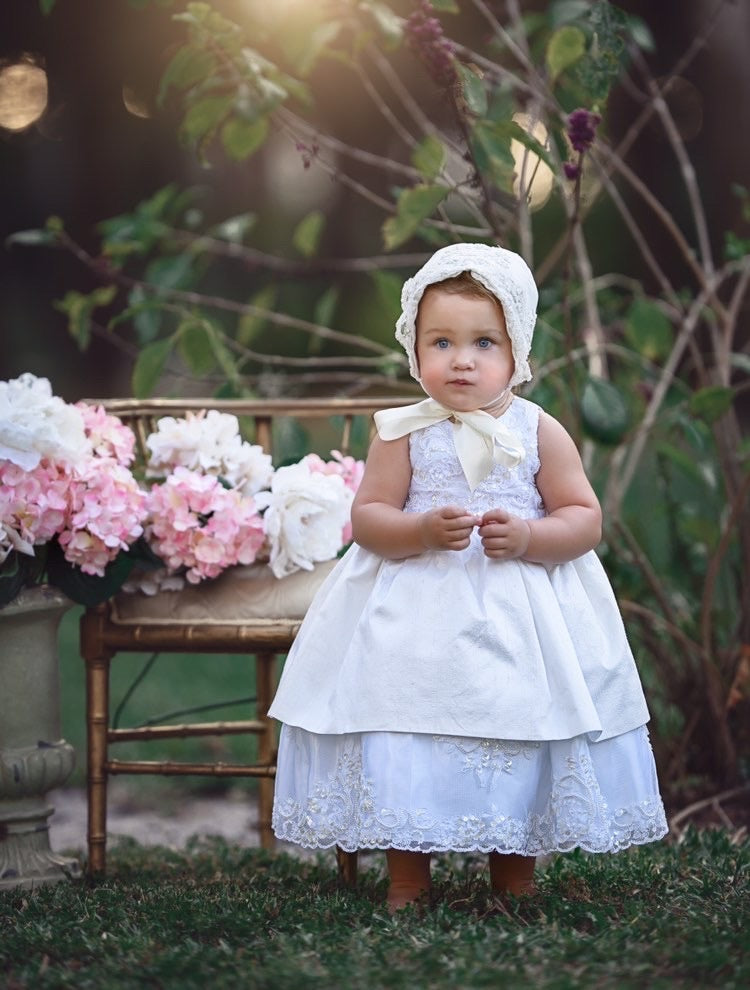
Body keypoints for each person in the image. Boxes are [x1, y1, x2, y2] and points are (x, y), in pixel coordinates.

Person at [269, 242, 668, 911]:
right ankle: (407, 875)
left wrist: (532, 537)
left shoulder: (538, 430)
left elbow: (584, 518)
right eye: (441, 342)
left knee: (517, 729)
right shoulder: (402, 431)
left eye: (484, 343)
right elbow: (368, 517)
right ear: (413, 347)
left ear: (518, 350)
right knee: (402, 727)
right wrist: (419, 531)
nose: (461, 359)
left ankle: (514, 871)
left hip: (517, 619)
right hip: (412, 618)